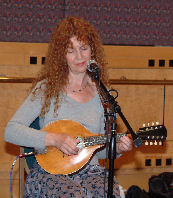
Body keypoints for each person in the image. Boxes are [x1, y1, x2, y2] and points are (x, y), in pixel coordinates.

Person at [5, 16, 133, 198]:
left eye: (84, 48)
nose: (79, 57)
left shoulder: (101, 93)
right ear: (61, 54)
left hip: (92, 173)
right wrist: (55, 139)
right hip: (51, 174)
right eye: (71, 51)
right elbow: (11, 131)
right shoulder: (46, 88)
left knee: (107, 192)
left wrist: (117, 148)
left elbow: (95, 149)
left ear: (93, 50)